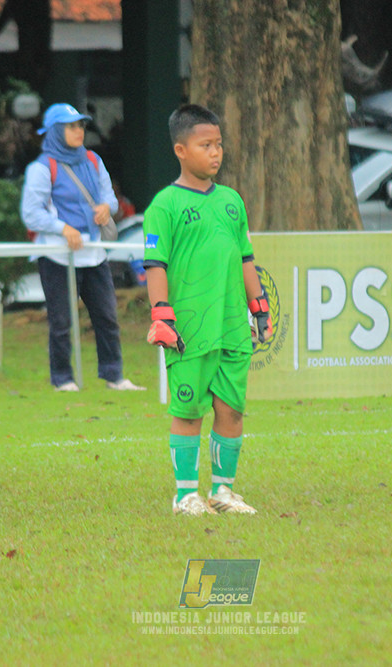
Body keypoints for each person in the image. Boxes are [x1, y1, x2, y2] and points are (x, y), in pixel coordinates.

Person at [142, 104, 271, 516]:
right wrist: (161, 315)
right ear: (181, 150)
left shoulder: (232, 201)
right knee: (188, 411)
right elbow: (155, 265)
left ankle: (222, 492)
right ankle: (185, 495)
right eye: (205, 145)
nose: (215, 153)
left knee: (231, 409)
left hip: (231, 326)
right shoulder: (164, 206)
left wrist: (259, 305)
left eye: (218, 144)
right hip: (190, 329)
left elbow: (245, 257)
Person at [20, 103, 143, 392]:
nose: (79, 131)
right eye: (71, 126)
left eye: (81, 125)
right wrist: (62, 228)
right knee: (61, 321)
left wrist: (106, 208)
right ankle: (62, 378)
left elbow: (110, 199)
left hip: (94, 253)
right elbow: (31, 213)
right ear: (55, 131)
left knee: (107, 317)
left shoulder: (93, 160)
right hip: (57, 256)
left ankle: (114, 375)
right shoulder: (41, 168)